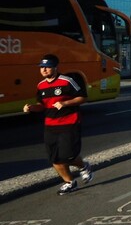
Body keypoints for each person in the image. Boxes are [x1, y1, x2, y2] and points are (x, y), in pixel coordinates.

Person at [23, 54, 93, 195]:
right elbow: (42, 105)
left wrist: (65, 103)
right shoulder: (41, 85)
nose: (44, 70)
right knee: (54, 158)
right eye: (42, 67)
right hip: (50, 125)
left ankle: (84, 166)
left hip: (69, 122)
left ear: (55, 67)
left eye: (47, 67)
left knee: (68, 156)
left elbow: (83, 97)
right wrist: (31, 108)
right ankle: (69, 182)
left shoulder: (67, 81)